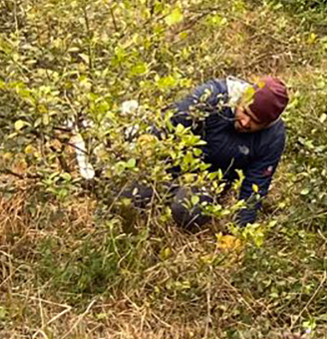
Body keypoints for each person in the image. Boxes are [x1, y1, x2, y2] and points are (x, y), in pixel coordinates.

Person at [124, 75, 290, 229]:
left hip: (210, 181)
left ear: (267, 124)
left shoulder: (273, 137)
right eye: (245, 112)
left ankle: (173, 198)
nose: (245, 122)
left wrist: (240, 232)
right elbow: (168, 124)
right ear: (242, 99)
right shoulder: (212, 97)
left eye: (256, 122)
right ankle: (163, 191)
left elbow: (254, 189)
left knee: (188, 212)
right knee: (127, 198)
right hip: (172, 163)